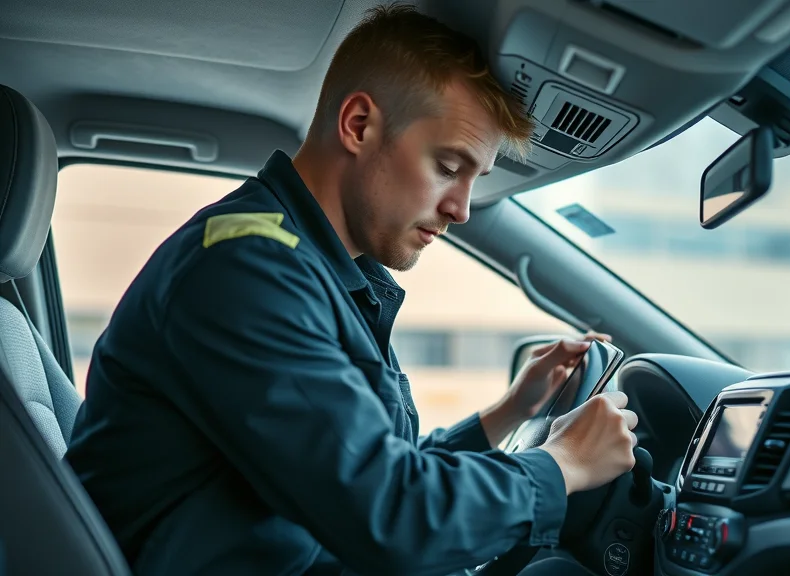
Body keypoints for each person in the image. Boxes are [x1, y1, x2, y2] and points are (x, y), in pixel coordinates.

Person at [64, 3, 639, 575]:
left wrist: (514, 410)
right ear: (359, 125)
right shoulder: (247, 271)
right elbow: (391, 517)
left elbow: (375, 474)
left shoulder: (315, 271)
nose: (461, 209)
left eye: (473, 179)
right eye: (447, 166)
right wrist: (563, 464)